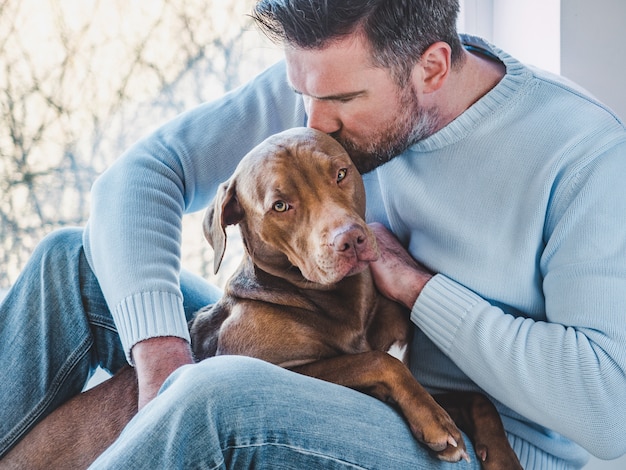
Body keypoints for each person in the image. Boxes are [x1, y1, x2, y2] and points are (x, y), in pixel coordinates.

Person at [1, 0, 625, 468]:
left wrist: (418, 289)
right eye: (301, 92)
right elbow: (138, 177)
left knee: (214, 395)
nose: (313, 120)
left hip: (469, 443)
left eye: (338, 101)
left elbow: (611, 408)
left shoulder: (583, 158)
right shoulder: (327, 81)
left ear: (431, 68)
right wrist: (163, 357)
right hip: (327, 349)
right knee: (73, 262)